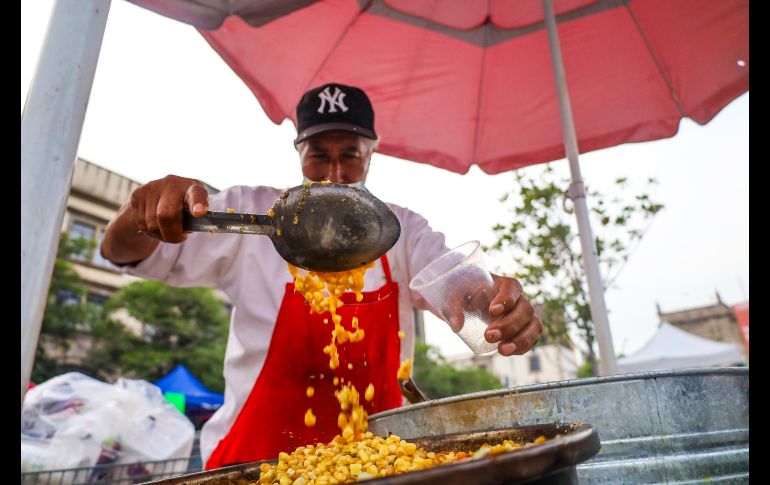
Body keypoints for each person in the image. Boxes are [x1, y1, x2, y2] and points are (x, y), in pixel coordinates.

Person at [100, 83, 543, 469]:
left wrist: (495, 304)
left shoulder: (404, 232)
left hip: (375, 461)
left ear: (371, 154)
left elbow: (456, 287)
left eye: (349, 155)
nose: (334, 173)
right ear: (299, 154)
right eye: (319, 156)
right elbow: (122, 254)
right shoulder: (249, 214)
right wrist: (140, 212)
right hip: (255, 463)